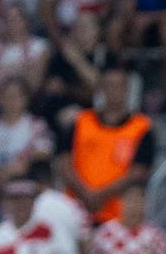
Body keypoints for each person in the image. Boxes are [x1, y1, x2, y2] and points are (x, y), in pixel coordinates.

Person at [55, 67, 152, 223]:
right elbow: (64, 162)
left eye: (119, 86)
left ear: (127, 89)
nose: (114, 91)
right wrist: (85, 193)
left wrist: (100, 195)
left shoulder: (141, 127)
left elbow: (139, 171)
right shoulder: (80, 121)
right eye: (109, 85)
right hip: (75, 212)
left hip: (118, 217)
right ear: (101, 89)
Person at [0, 77, 53, 185]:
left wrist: (23, 164)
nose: (11, 101)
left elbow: (44, 152)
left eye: (16, 96)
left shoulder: (37, 125)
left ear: (25, 99)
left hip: (25, 180)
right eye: (7, 96)